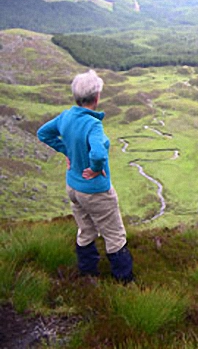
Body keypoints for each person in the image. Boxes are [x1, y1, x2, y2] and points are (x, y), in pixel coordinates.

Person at [37, 70, 133, 283]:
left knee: (86, 230)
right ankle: (124, 283)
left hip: (73, 188)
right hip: (95, 190)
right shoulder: (93, 124)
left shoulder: (65, 117)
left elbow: (43, 133)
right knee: (115, 236)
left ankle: (88, 275)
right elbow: (98, 153)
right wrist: (97, 168)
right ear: (97, 97)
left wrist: (66, 151)